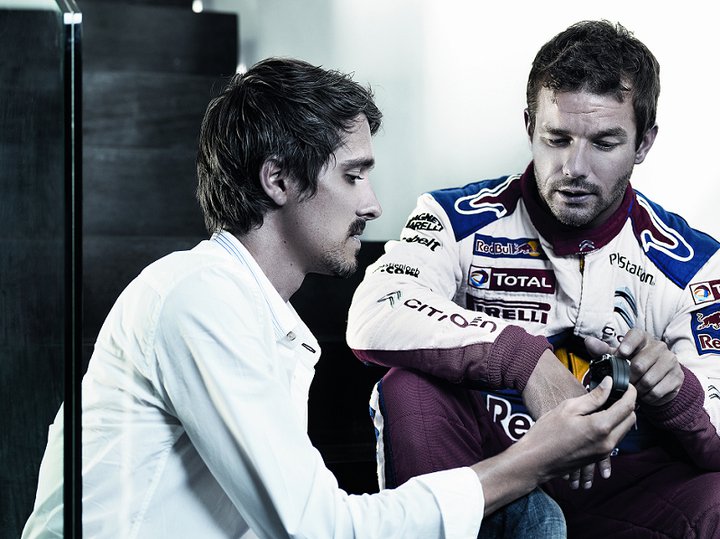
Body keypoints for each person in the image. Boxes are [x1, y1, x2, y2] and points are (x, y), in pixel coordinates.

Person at [22, 57, 635, 538]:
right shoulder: (197, 296)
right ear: (280, 179)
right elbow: (319, 529)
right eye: (354, 174)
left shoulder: (255, 312)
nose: (372, 205)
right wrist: (533, 460)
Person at [347, 20, 720, 538]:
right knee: (407, 388)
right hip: (494, 481)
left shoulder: (693, 263)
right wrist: (526, 361)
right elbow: (374, 311)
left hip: (626, 491)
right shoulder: (453, 217)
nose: (574, 167)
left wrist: (677, 392)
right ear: (529, 127)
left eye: (605, 142)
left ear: (644, 143)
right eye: (557, 138)